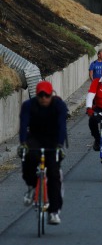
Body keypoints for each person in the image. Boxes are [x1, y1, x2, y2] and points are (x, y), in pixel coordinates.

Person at [18, 80, 68, 225]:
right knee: (28, 159)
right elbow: (23, 125)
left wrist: (60, 145)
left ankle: (54, 212)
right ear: (37, 96)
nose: (44, 98)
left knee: (53, 174)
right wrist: (23, 144)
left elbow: (62, 127)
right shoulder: (29, 105)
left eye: (46, 95)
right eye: (40, 96)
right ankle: (32, 186)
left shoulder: (59, 105)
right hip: (35, 137)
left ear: (51, 94)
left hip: (53, 140)